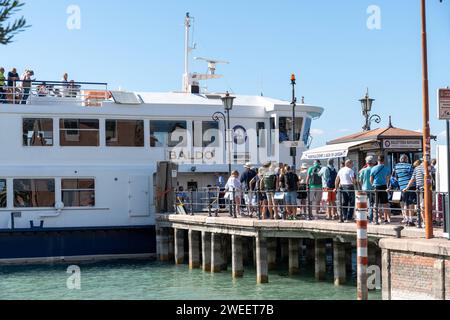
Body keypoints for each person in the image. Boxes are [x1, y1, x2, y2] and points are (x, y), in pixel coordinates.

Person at [393, 155, 415, 226]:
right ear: (406, 159)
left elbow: (395, 177)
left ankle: (406, 218)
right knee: (411, 203)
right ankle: (411, 219)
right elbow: (413, 176)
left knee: (405, 203)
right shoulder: (409, 166)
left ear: (400, 159)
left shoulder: (396, 166)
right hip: (410, 186)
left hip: (402, 187)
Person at [404, 160, 425, 228]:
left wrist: (406, 188)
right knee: (423, 206)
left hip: (420, 189)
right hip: (425, 189)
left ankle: (424, 222)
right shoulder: (425, 167)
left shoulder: (417, 168)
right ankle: (425, 222)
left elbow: (412, 179)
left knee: (422, 206)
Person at [370, 155, 391, 224]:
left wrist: (373, 184)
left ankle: (378, 219)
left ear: (377, 160)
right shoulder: (386, 168)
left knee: (376, 204)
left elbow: (371, 179)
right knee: (385, 204)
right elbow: (388, 179)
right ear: (383, 160)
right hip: (384, 186)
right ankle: (386, 219)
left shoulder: (373, 168)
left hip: (376, 186)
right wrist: (386, 185)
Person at [359, 156, 376, 223]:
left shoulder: (363, 170)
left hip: (364, 188)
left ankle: (363, 216)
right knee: (372, 203)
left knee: (364, 203)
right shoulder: (374, 169)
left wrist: (362, 186)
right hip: (372, 188)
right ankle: (371, 218)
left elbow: (360, 180)